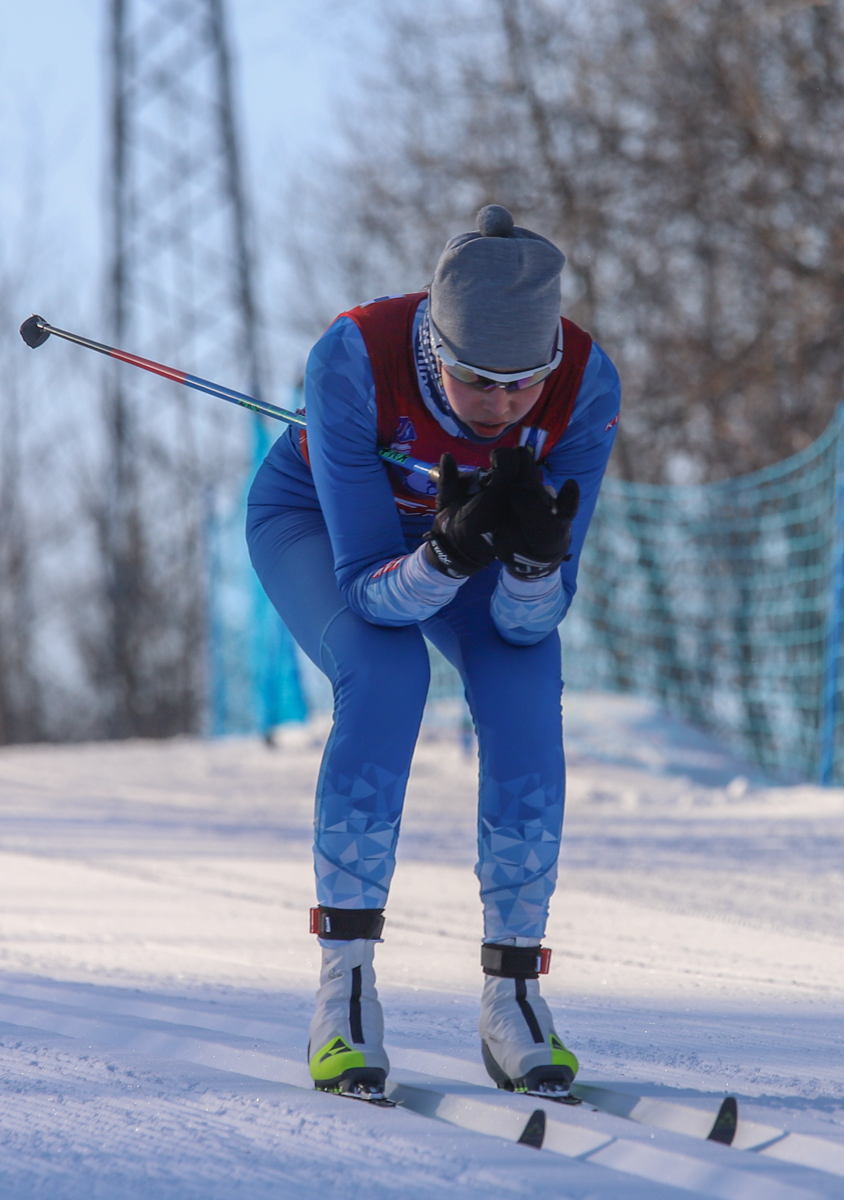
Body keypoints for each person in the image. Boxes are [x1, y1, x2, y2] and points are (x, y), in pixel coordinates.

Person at [245, 205, 621, 1101]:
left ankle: (514, 992)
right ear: (434, 347)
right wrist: (446, 556)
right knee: (387, 676)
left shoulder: (586, 384)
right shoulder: (353, 358)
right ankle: (345, 988)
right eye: (476, 381)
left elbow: (530, 624)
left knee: (526, 690)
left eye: (523, 385)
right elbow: (370, 591)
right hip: (323, 529)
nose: (501, 407)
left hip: (468, 542)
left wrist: (532, 563)